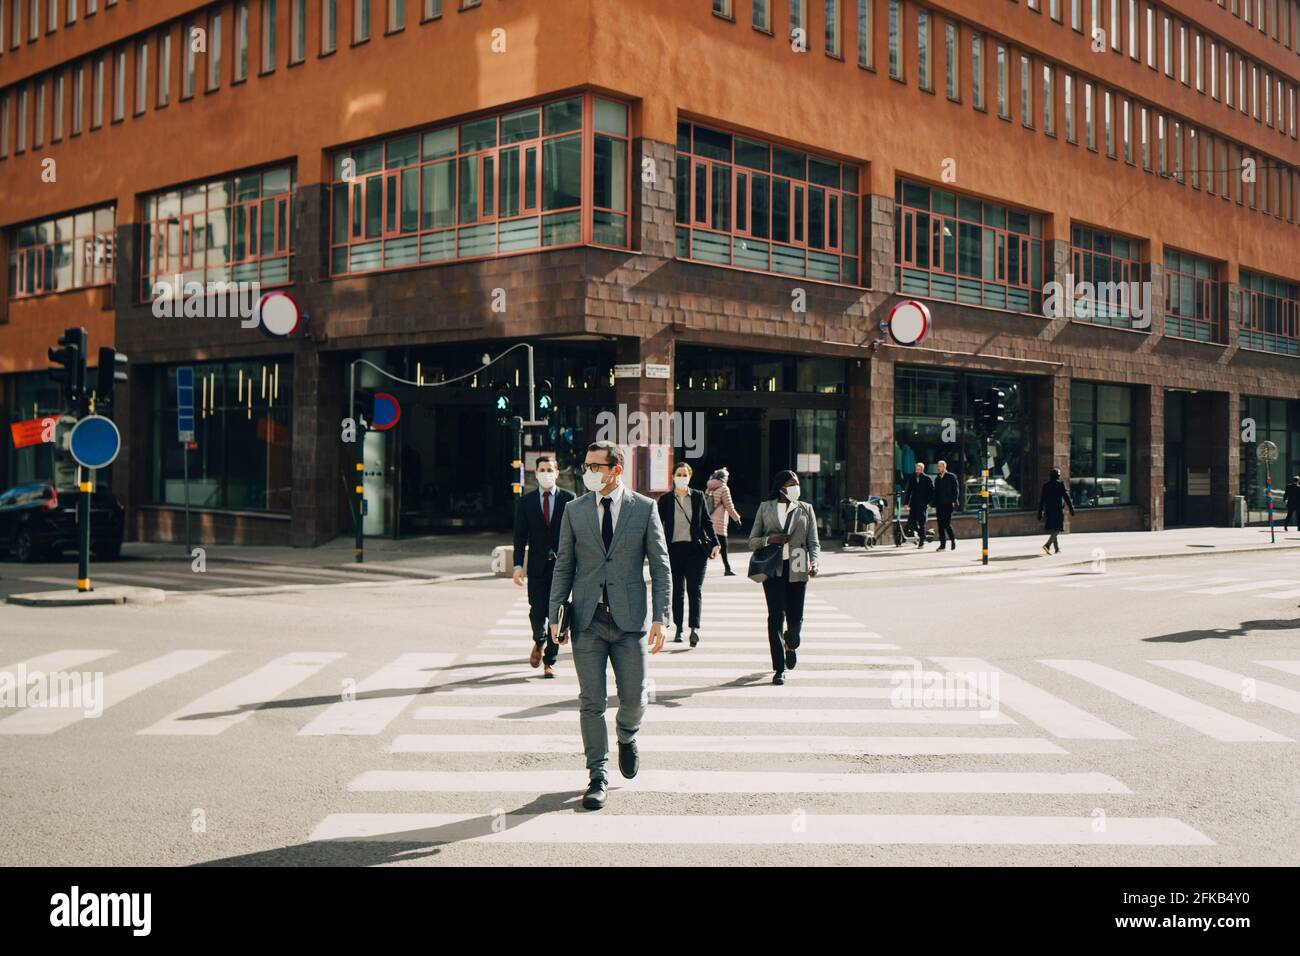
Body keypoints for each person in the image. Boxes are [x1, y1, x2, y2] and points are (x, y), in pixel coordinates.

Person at [550, 440, 671, 811]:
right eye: (586, 465)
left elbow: (661, 565)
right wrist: (555, 613)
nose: (589, 471)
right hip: (588, 618)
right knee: (591, 701)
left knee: (634, 697)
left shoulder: (644, 508)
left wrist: (661, 618)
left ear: (616, 469)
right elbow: (564, 564)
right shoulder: (574, 510)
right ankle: (597, 775)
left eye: (596, 466)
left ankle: (627, 734)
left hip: (630, 621)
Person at [747, 470, 820, 686]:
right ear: (781, 487)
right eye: (792, 484)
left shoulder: (806, 509)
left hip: (798, 564)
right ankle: (778, 668)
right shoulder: (765, 508)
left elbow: (813, 542)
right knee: (775, 617)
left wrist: (815, 562)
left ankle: (791, 643)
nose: (796, 487)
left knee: (795, 618)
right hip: (773, 568)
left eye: (797, 483)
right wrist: (771, 539)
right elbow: (752, 540)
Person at [512, 456, 575, 678]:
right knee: (537, 610)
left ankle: (550, 660)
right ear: (535, 473)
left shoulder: (570, 499)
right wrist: (518, 565)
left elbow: (577, 535)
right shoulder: (526, 502)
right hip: (538, 566)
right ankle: (539, 640)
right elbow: (520, 537)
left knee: (558, 612)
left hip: (563, 566)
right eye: (542, 469)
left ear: (557, 473)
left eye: (550, 469)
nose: (546, 473)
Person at [657, 463, 720, 647]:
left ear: (690, 477)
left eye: (685, 474)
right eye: (679, 474)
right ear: (673, 476)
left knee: (694, 589)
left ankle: (694, 628)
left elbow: (707, 522)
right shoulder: (666, 500)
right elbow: (657, 525)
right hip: (674, 551)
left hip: (696, 551)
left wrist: (715, 543)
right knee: (677, 591)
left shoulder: (698, 496)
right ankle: (679, 628)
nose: (682, 477)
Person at [706, 468, 743, 576]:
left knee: (711, 545)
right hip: (720, 523)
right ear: (723, 478)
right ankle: (727, 569)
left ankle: (727, 568)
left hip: (710, 521)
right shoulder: (724, 488)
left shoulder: (709, 488)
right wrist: (737, 519)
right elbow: (729, 506)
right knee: (723, 546)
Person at [1037, 467, 1076, 555]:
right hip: (1058, 510)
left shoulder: (1046, 486)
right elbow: (1066, 497)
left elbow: (1042, 500)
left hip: (1049, 511)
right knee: (1058, 529)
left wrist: (1040, 512)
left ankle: (1057, 549)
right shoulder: (1060, 484)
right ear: (1058, 476)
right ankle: (1047, 545)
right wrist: (1071, 508)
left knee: (1053, 529)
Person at [903, 461, 933, 549]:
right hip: (914, 503)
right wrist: (906, 503)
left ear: (922, 469)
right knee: (912, 521)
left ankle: (921, 542)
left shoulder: (927, 478)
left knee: (921, 522)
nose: (917, 470)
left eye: (919, 469)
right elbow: (909, 491)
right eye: (916, 469)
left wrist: (928, 503)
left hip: (922, 504)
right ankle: (922, 536)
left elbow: (931, 492)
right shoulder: (912, 478)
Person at [933, 459, 960, 551]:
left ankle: (952, 540)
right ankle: (942, 545)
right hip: (939, 504)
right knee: (940, 525)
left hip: (948, 504)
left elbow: (956, 490)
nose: (938, 468)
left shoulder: (951, 476)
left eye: (940, 466)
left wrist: (954, 501)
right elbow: (935, 492)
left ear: (944, 467)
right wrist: (933, 503)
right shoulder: (937, 478)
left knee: (946, 524)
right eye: (938, 466)